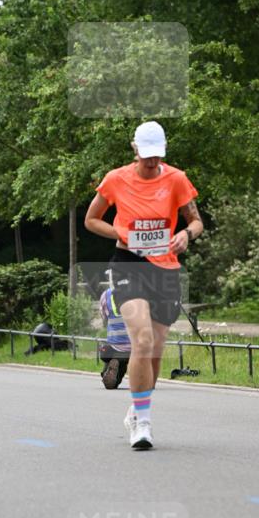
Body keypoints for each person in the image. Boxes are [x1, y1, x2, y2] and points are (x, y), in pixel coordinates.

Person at [85, 121, 203, 448]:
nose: (151, 163)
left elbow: (196, 220)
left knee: (154, 352)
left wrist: (185, 234)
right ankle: (144, 426)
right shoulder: (116, 179)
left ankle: (136, 407)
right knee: (142, 338)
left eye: (157, 156)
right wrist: (119, 233)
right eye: (146, 155)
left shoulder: (176, 179)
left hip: (165, 269)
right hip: (129, 264)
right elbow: (91, 220)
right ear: (135, 149)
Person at [98, 286, 130, 389]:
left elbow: (104, 316)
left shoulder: (106, 295)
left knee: (115, 356)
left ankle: (107, 372)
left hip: (113, 344)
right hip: (134, 346)